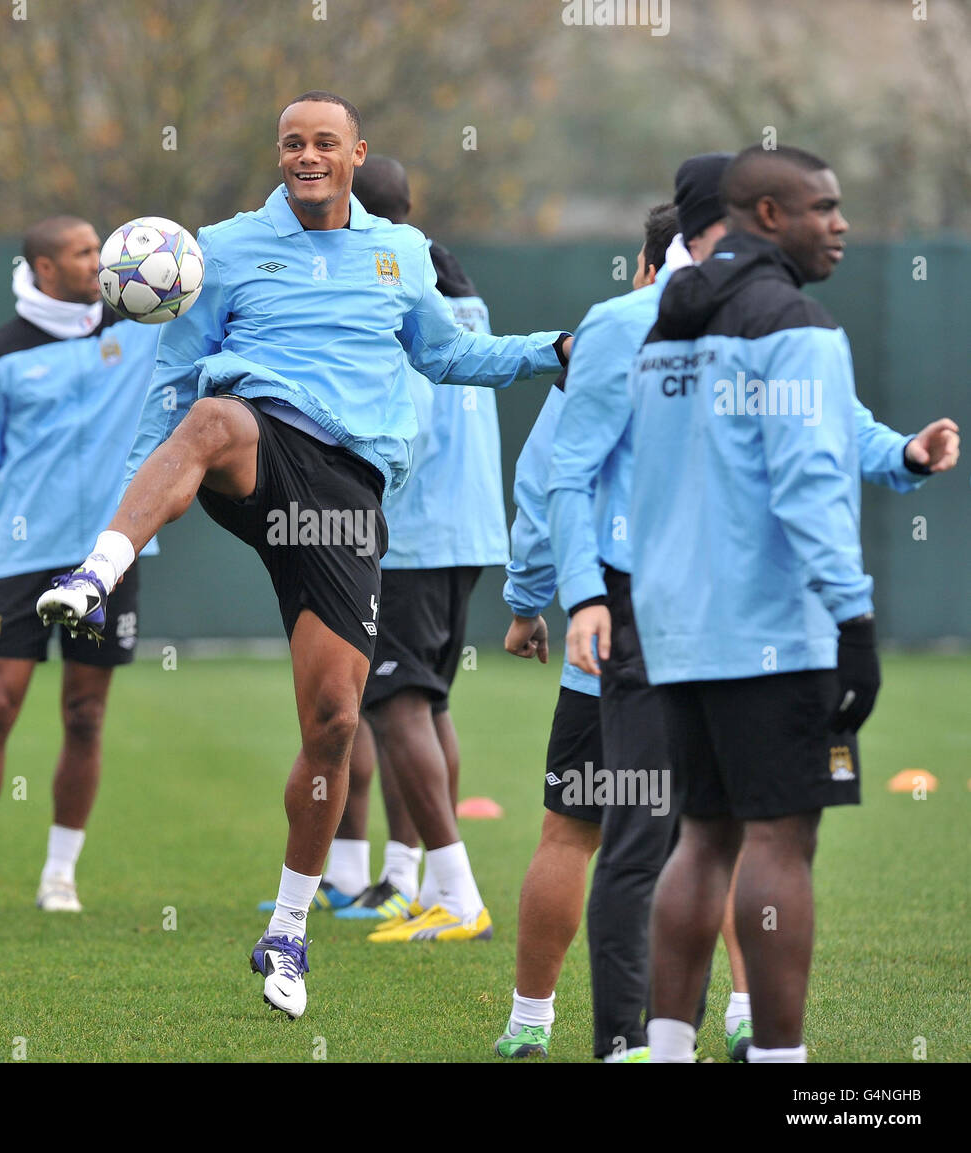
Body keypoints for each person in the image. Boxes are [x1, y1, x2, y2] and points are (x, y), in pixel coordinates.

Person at [36, 91, 571, 1018]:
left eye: (326, 142)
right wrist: (121, 535)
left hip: (347, 499)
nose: (308, 155)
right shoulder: (221, 247)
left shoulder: (402, 256)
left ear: (357, 152)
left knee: (333, 719)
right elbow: (173, 393)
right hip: (257, 444)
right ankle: (95, 571)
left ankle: (288, 930)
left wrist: (553, 349)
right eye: (292, 143)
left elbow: (451, 359)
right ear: (277, 152)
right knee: (212, 413)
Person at [630, 145, 959, 1063]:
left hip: (679, 630)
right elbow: (808, 483)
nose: (841, 223)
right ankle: (782, 1065)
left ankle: (665, 1052)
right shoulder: (797, 323)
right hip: (777, 632)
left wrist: (897, 456)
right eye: (823, 206)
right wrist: (854, 621)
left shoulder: (663, 329)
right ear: (767, 216)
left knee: (701, 840)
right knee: (781, 841)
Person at [296, 155, 510, 942]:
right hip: (469, 526)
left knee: (395, 705)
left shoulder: (387, 288)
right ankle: (407, 877)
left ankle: (454, 893)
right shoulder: (451, 282)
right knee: (425, 704)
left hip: (415, 532)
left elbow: (402, 422)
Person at [0, 216, 159, 916]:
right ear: (45, 268)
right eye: (85, 252)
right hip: (23, 557)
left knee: (85, 715)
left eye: (100, 248)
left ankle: (60, 873)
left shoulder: (138, 326)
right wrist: (30, 515)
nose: (100, 261)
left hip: (109, 558)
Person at [494, 202, 675, 1058]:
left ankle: (530, 1023)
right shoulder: (767, 332)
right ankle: (750, 1015)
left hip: (606, 632)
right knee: (728, 833)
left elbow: (545, 491)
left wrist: (530, 604)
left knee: (572, 830)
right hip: (732, 633)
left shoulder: (603, 343)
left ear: (645, 266)